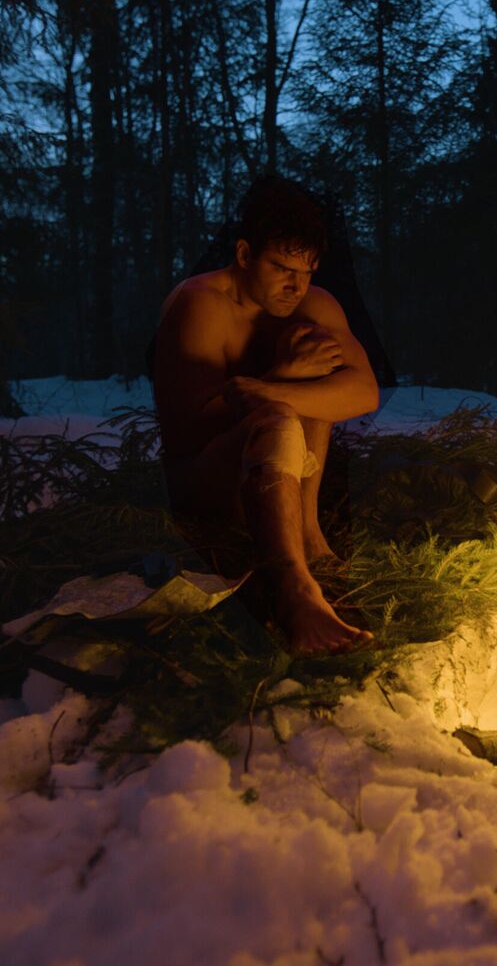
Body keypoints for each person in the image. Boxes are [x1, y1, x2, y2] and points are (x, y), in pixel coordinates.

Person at [152, 177, 380, 653]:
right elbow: (185, 433)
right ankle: (294, 588)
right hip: (205, 478)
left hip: (278, 473)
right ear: (243, 255)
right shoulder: (200, 305)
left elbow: (363, 392)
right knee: (280, 410)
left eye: (307, 271)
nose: (295, 285)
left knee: (306, 391)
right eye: (280, 267)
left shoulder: (314, 304)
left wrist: (270, 385)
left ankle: (310, 534)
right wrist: (280, 379)